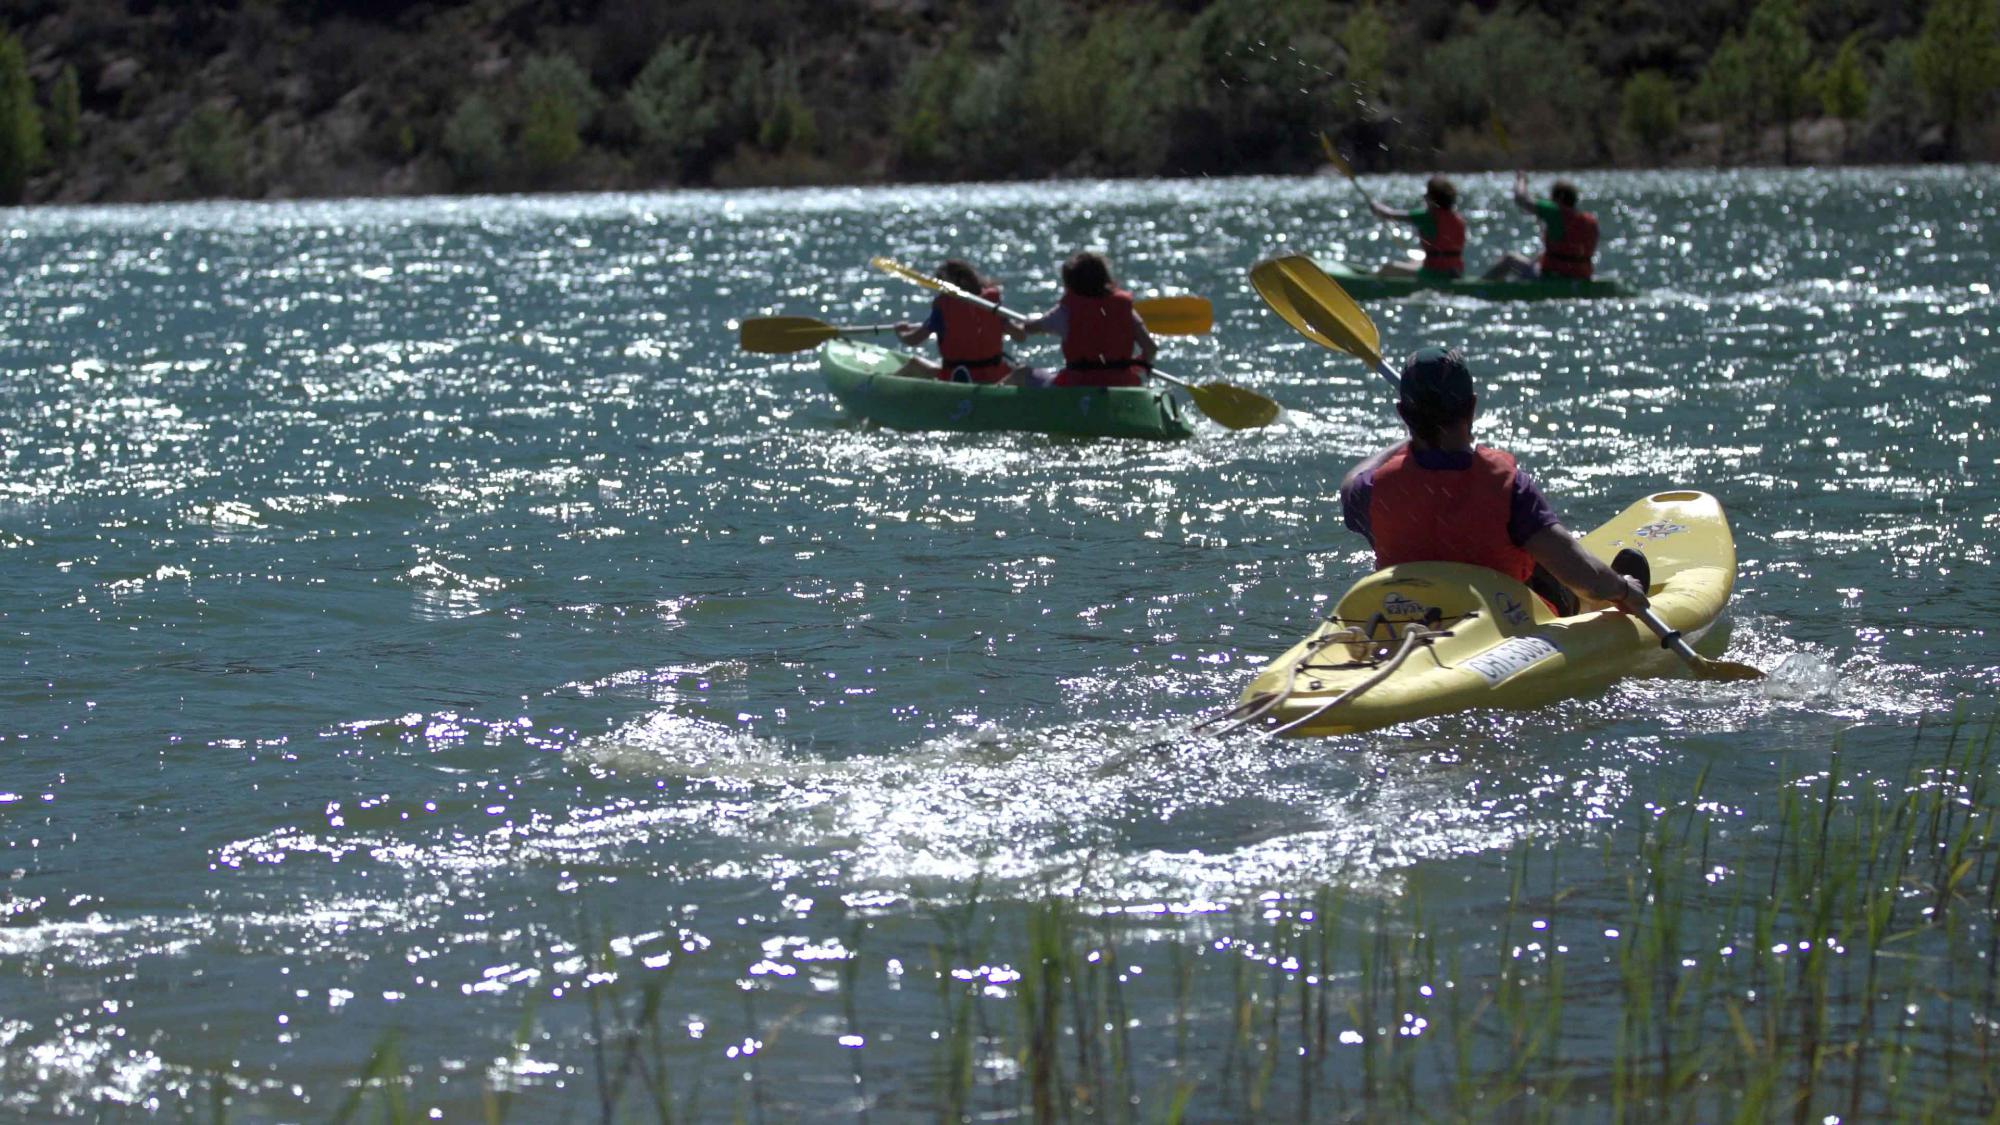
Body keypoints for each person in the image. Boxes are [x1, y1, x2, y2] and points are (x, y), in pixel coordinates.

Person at [1339, 347, 1648, 618]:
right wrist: (1623, 589)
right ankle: (1588, 606)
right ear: (1472, 407)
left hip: (1402, 617)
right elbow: (1584, 575)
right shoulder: (1508, 487)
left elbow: (1351, 481)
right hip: (1497, 624)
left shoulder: (1371, 490)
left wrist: (1414, 435)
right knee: (1539, 552)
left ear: (1402, 414)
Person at [1007, 251, 1157, 387]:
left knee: (1021, 373)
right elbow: (1150, 348)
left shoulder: (1066, 312)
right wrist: (1136, 366)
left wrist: (1015, 327)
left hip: (1077, 389)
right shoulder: (1125, 309)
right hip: (1121, 386)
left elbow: (1032, 328)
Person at [892, 259, 1015, 384]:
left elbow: (913, 339)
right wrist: (1023, 327)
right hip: (995, 376)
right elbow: (1019, 336)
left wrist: (900, 332)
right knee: (1019, 371)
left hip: (957, 375)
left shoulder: (943, 308)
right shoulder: (991, 305)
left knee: (914, 364)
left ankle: (883, 386)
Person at [1484, 173, 1599, 281]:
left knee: (1510, 260)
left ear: (1557, 199)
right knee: (1536, 261)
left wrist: (1521, 179)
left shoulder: (1555, 211)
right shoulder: (1590, 221)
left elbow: (1521, 199)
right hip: (1582, 277)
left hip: (1553, 277)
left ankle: (1481, 288)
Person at [1367, 175, 1465, 280]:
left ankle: (1370, 280)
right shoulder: (1458, 219)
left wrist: (1375, 206)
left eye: (1426, 195)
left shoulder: (1427, 216)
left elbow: (1388, 214)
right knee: (1416, 261)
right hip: (1456, 272)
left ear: (1431, 199)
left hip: (1434, 274)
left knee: (1387, 268)